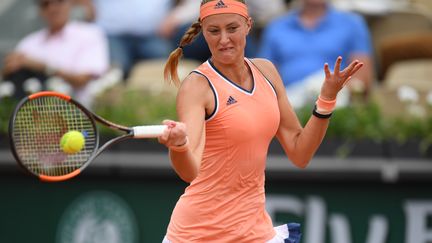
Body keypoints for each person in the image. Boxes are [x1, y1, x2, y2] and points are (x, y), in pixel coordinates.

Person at [158, 0, 363, 242]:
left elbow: (300, 152)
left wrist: (327, 99)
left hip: (255, 232)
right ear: (204, 31)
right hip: (199, 234)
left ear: (248, 26)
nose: (223, 39)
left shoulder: (267, 71)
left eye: (232, 28)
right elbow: (189, 171)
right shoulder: (196, 86)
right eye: (214, 31)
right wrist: (178, 145)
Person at [259, 0, 374, 108]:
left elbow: (361, 77)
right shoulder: (276, 27)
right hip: (289, 106)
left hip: (337, 105)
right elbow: (264, 75)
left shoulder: (352, 24)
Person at [1, 0, 109, 107]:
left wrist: (42, 67)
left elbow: (81, 80)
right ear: (39, 10)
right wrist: (8, 71)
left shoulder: (90, 35)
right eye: (45, 4)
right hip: (34, 114)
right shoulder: (28, 43)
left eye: (59, 1)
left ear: (70, 3)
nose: (53, 8)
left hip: (76, 114)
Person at [92, 0, 174, 78]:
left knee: (164, 59)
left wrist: (175, 17)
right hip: (112, 34)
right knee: (117, 69)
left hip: (151, 34)